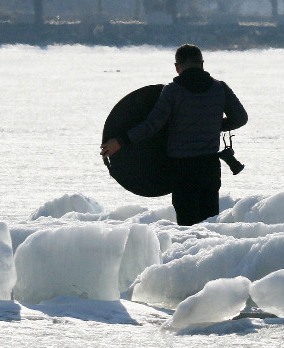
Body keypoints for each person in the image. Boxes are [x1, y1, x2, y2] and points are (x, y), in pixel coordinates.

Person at [100, 44, 248, 226]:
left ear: (177, 67)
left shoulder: (172, 91)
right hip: (210, 167)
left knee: (187, 226)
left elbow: (152, 126)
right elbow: (241, 118)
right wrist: (213, 126)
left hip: (181, 169)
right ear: (202, 64)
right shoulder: (220, 88)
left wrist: (121, 141)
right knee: (210, 225)